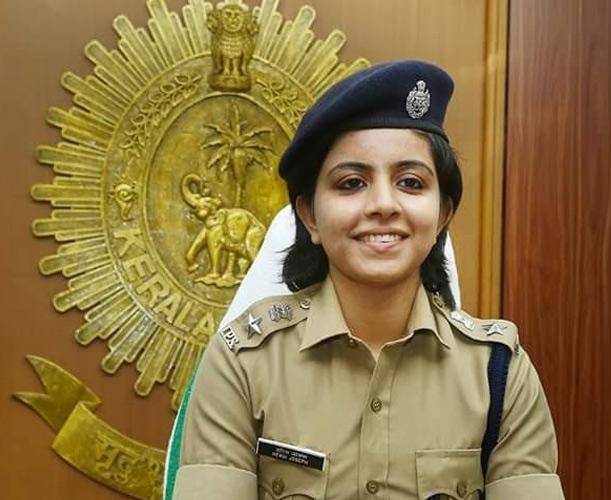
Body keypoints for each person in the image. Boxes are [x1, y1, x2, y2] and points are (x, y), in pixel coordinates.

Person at [170, 60, 565, 499]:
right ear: (309, 216)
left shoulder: (498, 371)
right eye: (352, 183)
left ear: (442, 215)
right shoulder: (243, 362)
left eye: (410, 182)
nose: (383, 204)